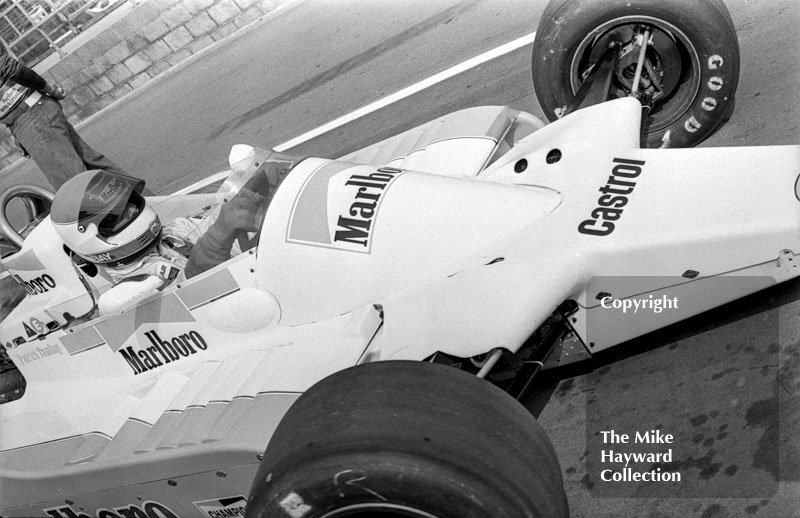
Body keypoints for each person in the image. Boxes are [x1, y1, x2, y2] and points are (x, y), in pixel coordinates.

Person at [49, 169, 266, 315]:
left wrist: (257, 191)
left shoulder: (174, 231)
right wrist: (218, 237)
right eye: (118, 216)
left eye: (130, 204)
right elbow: (189, 290)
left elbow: (220, 226)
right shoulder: (131, 289)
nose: (132, 211)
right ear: (89, 237)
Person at [0, 44, 128, 189]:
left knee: (77, 187)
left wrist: (50, 89)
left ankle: (142, 208)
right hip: (30, 113)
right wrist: (15, 128)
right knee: (96, 169)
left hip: (31, 118)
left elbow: (11, 68)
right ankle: (152, 205)